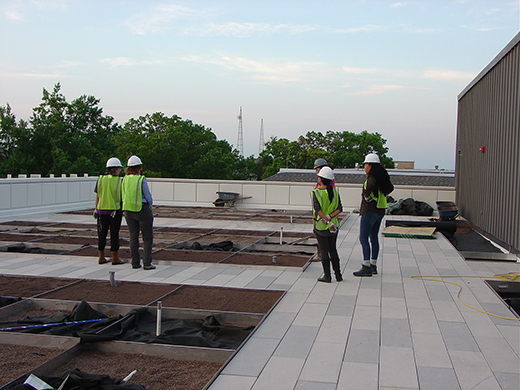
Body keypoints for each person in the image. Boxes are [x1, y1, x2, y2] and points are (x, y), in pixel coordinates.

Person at [353, 153, 394, 277]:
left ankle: (366, 267)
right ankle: (373, 265)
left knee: (363, 238)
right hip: (380, 211)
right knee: (374, 238)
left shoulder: (371, 178)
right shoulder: (382, 178)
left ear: (370, 166)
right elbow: (390, 188)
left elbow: (369, 187)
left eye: (366, 165)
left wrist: (367, 196)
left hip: (370, 210)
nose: (365, 167)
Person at [122, 155, 156, 270]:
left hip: (128, 211)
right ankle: (147, 263)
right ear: (139, 167)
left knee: (133, 237)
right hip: (142, 210)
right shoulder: (140, 179)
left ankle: (135, 263)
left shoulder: (124, 179)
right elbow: (147, 195)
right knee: (147, 238)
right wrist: (150, 206)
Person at [311, 166, 343, 283]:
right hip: (333, 226)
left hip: (321, 226)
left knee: (324, 251)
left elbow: (317, 209)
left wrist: (325, 219)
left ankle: (327, 276)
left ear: (320, 179)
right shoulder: (335, 191)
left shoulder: (316, 193)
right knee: (333, 250)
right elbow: (340, 208)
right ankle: (338, 275)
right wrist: (330, 218)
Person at [94, 157, 125, 265]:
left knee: (101, 234)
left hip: (101, 210)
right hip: (115, 211)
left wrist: (96, 208)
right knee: (114, 234)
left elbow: (98, 195)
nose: (119, 171)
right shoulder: (120, 181)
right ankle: (115, 258)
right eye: (119, 169)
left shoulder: (100, 179)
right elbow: (123, 196)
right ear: (115, 169)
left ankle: (101, 256)